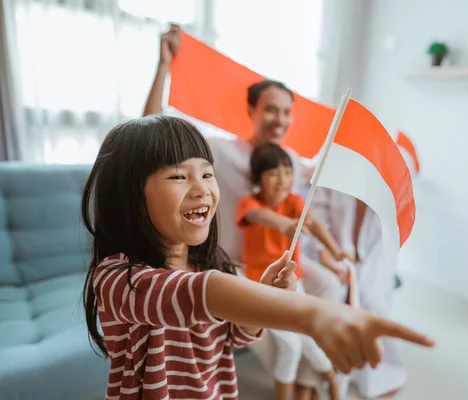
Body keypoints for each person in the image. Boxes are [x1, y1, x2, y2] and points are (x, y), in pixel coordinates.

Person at [81, 115, 434, 399]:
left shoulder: (208, 263)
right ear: (128, 197)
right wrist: (315, 314)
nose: (202, 187)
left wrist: (267, 294)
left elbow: (234, 337)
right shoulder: (119, 278)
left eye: (207, 173)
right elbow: (198, 294)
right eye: (178, 176)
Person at [143, 24, 348, 396]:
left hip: (279, 259)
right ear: (252, 110)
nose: (280, 120)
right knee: (286, 335)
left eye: (287, 112)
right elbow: (149, 131)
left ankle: (305, 383)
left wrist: (330, 255)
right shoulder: (220, 152)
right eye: (271, 109)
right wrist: (163, 65)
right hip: (235, 263)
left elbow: (303, 215)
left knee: (331, 284)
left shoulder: (290, 161)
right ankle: (304, 378)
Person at [236, 144, 355, 399]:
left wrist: (335, 250)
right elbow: (257, 216)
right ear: (257, 179)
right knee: (291, 345)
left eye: (288, 173)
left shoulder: (295, 201)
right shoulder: (249, 203)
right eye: (273, 173)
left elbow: (314, 224)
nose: (282, 180)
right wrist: (283, 223)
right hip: (262, 287)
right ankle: (325, 383)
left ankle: (331, 382)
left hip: (292, 283)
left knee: (304, 336)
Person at [305, 187, 408, 399]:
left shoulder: (392, 186)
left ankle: (360, 367)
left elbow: (387, 240)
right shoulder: (335, 170)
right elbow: (316, 215)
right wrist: (328, 253)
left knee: (367, 296)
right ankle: (322, 371)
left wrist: (357, 270)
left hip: (373, 259)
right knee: (332, 291)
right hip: (327, 250)